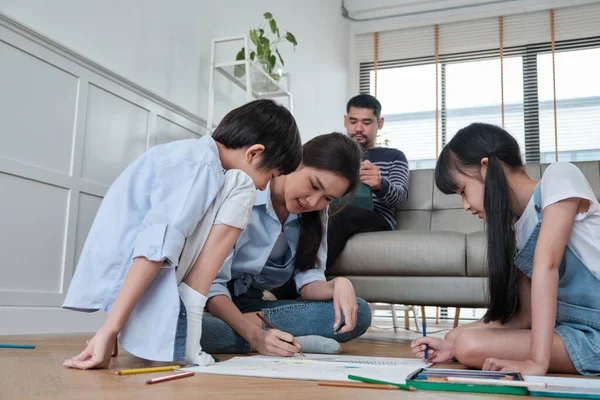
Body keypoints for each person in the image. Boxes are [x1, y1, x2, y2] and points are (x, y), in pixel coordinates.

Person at [61, 99, 302, 369]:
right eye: (271, 175)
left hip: (121, 277)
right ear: (254, 154)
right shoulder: (201, 164)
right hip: (135, 270)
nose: (264, 188)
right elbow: (155, 249)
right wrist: (110, 329)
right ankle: (191, 309)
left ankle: (170, 319)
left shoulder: (193, 156)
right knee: (242, 186)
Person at [411, 122, 600, 376]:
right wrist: (451, 345)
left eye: (463, 190)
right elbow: (525, 317)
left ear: (486, 167)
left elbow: (547, 265)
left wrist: (536, 362)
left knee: (467, 343)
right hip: (571, 332)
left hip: (593, 330)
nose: (465, 206)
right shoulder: (515, 227)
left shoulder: (560, 176)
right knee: (456, 335)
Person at [186, 133, 372, 356]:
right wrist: (254, 335)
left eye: (328, 198)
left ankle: (254, 336)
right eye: (313, 185)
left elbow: (309, 282)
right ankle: (269, 339)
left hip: (253, 308)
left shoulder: (316, 214)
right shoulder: (244, 189)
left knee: (359, 312)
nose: (313, 202)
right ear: (296, 161)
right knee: (177, 325)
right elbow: (212, 286)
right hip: (208, 302)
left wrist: (339, 285)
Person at [326, 94, 409, 269]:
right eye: (353, 121)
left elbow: (400, 198)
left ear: (379, 123)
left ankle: (296, 284)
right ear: (345, 120)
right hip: (333, 209)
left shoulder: (394, 156)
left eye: (366, 122)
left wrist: (381, 184)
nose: (358, 128)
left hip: (376, 217)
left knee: (340, 214)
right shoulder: (334, 154)